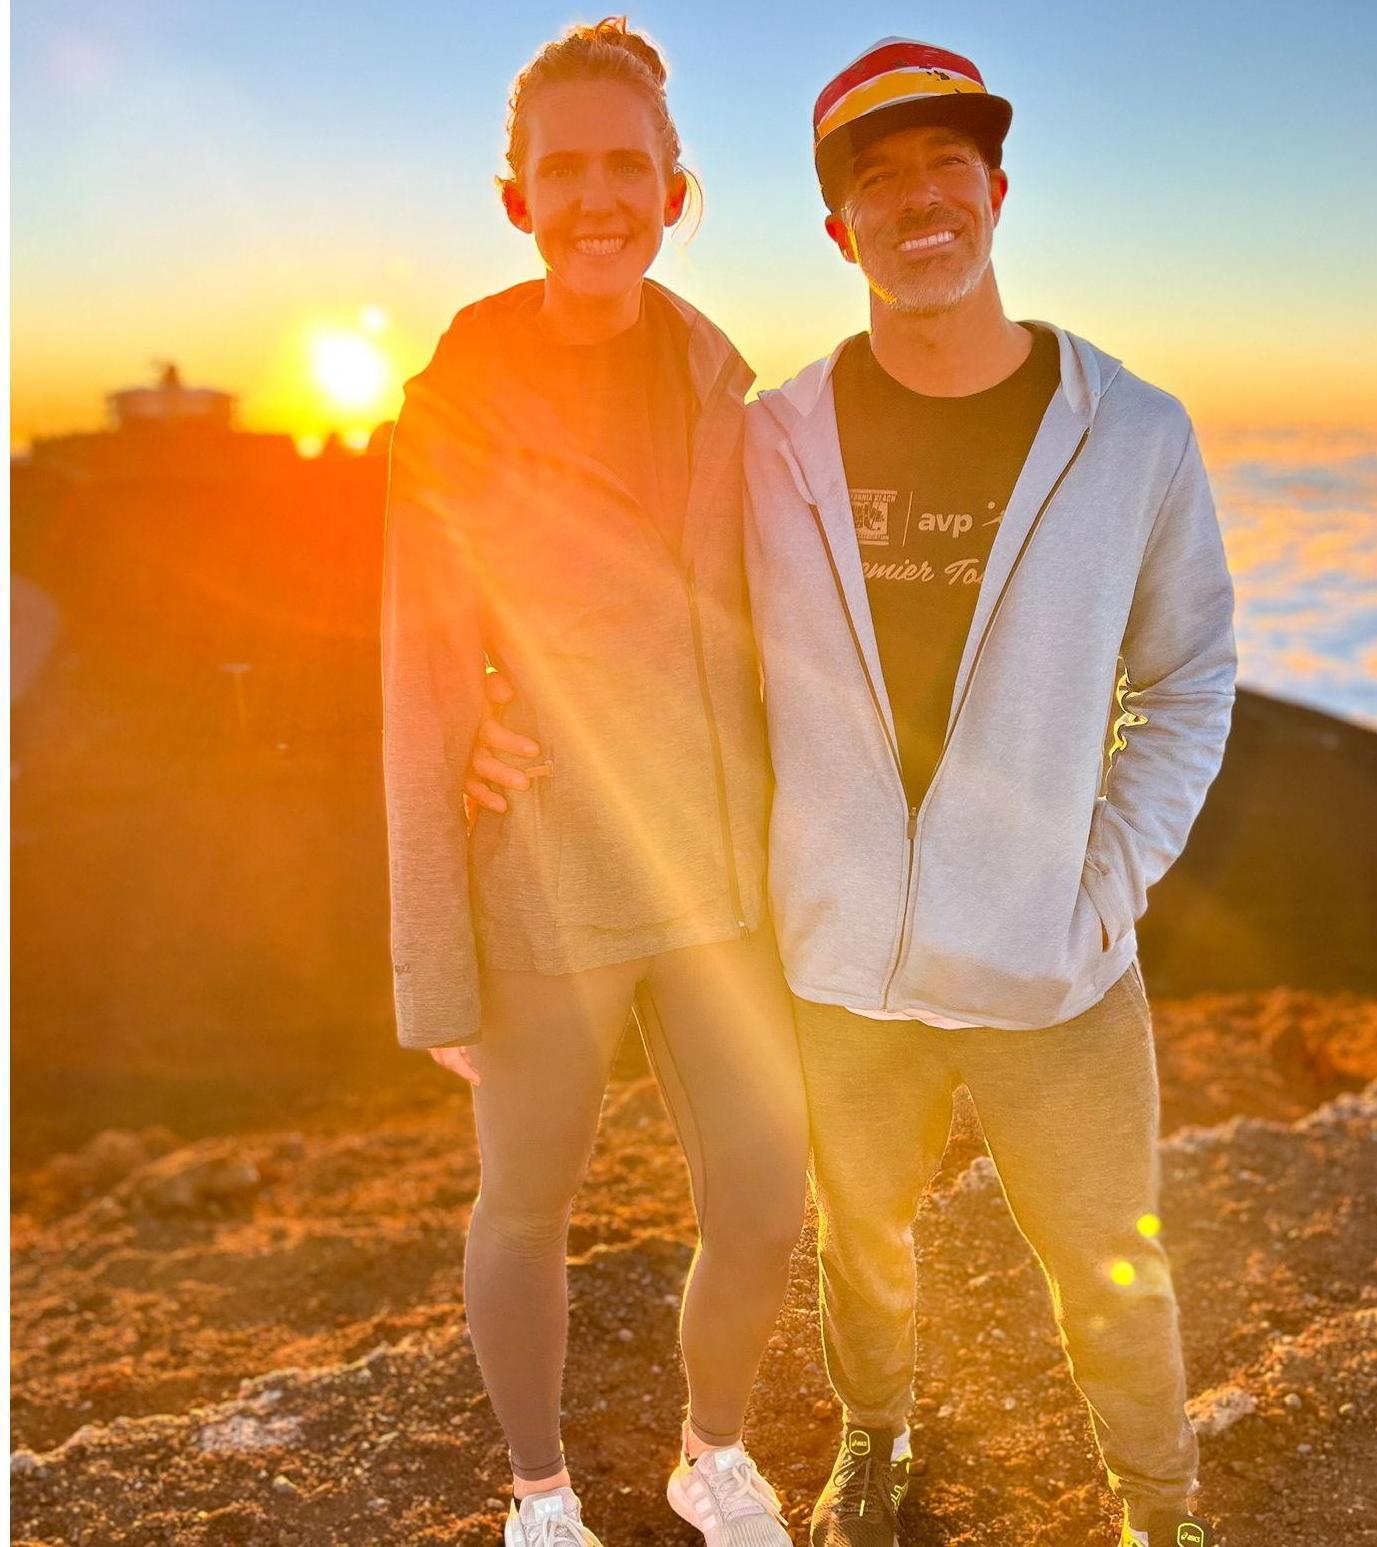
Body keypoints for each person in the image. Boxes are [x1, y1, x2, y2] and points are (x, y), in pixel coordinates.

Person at [468, 33, 1234, 1547]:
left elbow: (1188, 678)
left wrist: (1103, 887)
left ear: (999, 191)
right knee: (860, 1246)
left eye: (950, 164)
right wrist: (482, 711)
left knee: (1110, 1263)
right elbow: (627, 612)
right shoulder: (770, 442)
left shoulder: (1133, 432)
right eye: (878, 182)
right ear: (840, 231)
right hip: (838, 963)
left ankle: (1160, 1506)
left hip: (1051, 967)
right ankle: (875, 1442)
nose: (920, 201)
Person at [380, 19, 808, 1547]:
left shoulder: (721, 388)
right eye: (564, 169)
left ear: (676, 187)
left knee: (765, 1195)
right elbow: (414, 671)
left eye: (628, 164)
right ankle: (543, 1498)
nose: (597, 195)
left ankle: (713, 1453)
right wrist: (435, 945)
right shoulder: (449, 406)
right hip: (546, 874)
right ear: (518, 197)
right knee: (525, 1208)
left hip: (714, 872)